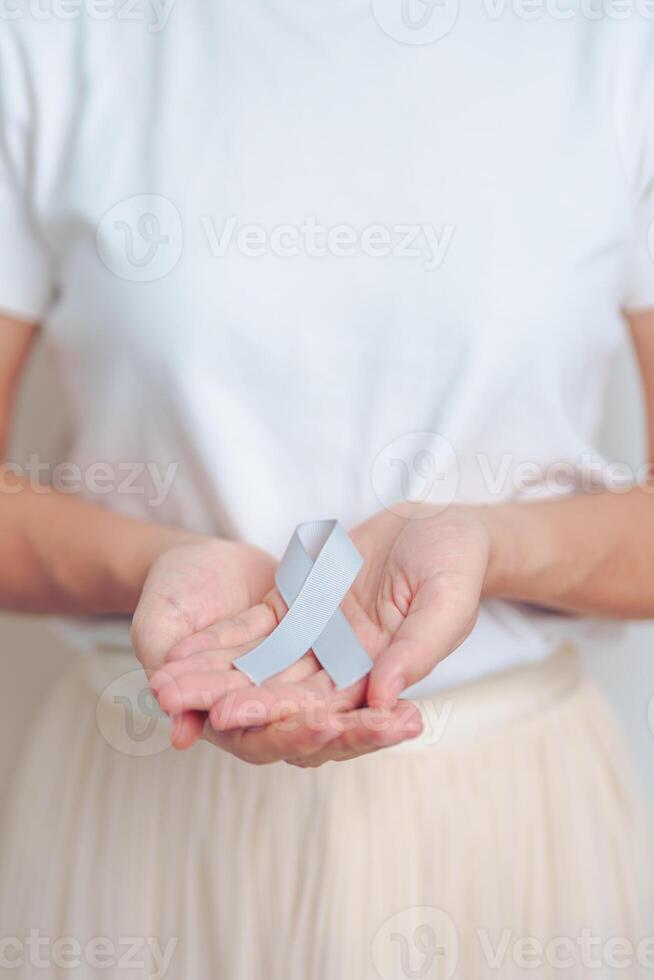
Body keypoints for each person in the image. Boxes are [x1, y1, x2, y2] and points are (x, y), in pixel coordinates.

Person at [0, 3, 653, 977]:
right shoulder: (50, 34)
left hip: (511, 833)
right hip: (146, 824)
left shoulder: (620, 39)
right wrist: (152, 565)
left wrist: (491, 544)